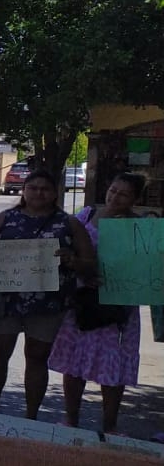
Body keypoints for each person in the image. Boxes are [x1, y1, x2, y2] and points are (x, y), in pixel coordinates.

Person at [0, 169, 96, 420]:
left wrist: (72, 261)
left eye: (45, 189)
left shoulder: (69, 223)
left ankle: (31, 416)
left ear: (54, 193)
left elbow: (89, 263)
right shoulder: (4, 219)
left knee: (37, 358)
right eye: (33, 188)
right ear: (24, 191)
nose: (38, 193)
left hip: (48, 305)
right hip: (7, 299)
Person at [50, 172, 148, 432]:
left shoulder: (142, 229)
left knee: (114, 364)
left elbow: (145, 269)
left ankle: (109, 425)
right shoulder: (87, 215)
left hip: (119, 305)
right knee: (74, 363)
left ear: (135, 199)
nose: (115, 197)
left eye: (124, 194)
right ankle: (71, 419)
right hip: (83, 301)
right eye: (113, 190)